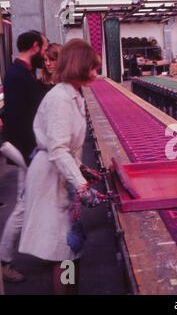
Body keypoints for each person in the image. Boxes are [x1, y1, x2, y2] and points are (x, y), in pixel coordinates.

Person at [19, 39, 104, 295]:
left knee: (70, 248)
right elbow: (57, 149)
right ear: (80, 67)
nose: (96, 74)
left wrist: (83, 169)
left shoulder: (73, 94)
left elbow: (65, 146)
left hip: (59, 173)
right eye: (93, 68)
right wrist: (81, 185)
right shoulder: (60, 99)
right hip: (49, 178)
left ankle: (70, 291)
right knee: (63, 250)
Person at [0, 30, 48, 283]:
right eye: (45, 49)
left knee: (30, 202)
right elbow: (18, 120)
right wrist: (32, 158)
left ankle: (42, 249)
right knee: (22, 205)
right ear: (35, 46)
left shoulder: (23, 73)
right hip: (22, 149)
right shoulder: (18, 75)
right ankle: (4, 261)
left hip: (26, 148)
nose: (46, 56)